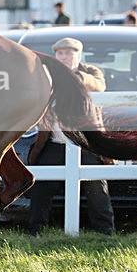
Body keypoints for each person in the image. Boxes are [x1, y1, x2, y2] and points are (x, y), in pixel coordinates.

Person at [26, 37, 115, 236]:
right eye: (60, 53)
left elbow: (99, 85)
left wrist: (74, 78)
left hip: (86, 144)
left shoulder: (91, 72)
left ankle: (105, 233)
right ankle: (35, 232)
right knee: (41, 186)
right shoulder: (47, 73)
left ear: (79, 55)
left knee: (97, 189)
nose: (64, 57)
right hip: (55, 142)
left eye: (69, 53)